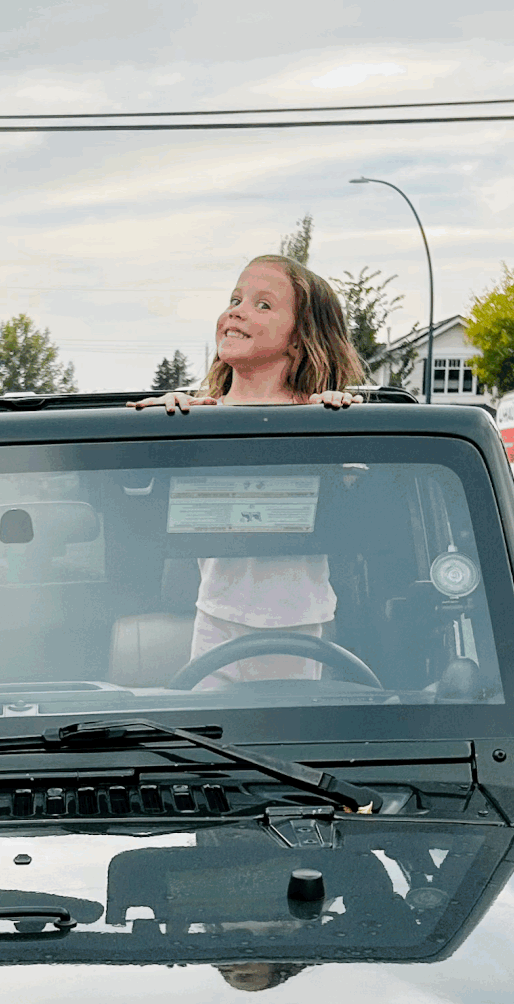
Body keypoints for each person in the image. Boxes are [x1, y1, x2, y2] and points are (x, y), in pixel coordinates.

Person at [133, 255, 364, 688]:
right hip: (213, 616)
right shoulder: (194, 418)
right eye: (235, 299)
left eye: (262, 305)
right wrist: (155, 426)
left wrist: (339, 423)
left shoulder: (323, 420)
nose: (236, 310)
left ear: (299, 339)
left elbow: (354, 496)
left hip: (299, 624)